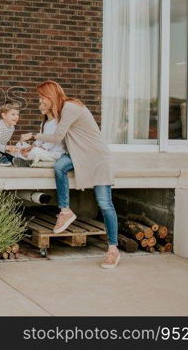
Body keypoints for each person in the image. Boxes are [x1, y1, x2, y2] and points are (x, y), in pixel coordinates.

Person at [32, 80, 120, 269]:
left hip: (97, 158)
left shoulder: (70, 107)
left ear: (51, 96)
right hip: (77, 156)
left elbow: (57, 137)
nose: (40, 101)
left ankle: (113, 250)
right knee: (59, 167)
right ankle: (65, 210)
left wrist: (34, 136)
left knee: (104, 203)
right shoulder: (59, 113)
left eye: (42, 97)